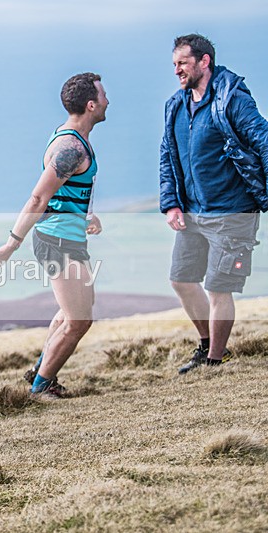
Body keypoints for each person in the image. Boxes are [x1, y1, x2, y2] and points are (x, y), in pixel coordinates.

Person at [0, 72, 108, 398]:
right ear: (91, 104)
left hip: (67, 236)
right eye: (103, 95)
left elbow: (60, 197)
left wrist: (84, 217)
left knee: (75, 311)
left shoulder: (73, 141)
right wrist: (10, 244)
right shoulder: (70, 147)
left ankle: (41, 370)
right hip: (57, 242)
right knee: (79, 321)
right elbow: (38, 199)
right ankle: (41, 388)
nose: (108, 101)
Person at [160, 34, 268, 374]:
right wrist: (171, 204)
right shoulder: (175, 106)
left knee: (219, 288)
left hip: (232, 211)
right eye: (174, 63)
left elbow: (263, 141)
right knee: (181, 279)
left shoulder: (232, 99)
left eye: (182, 63)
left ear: (204, 61)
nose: (176, 70)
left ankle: (214, 360)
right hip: (192, 212)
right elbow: (168, 155)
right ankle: (208, 344)